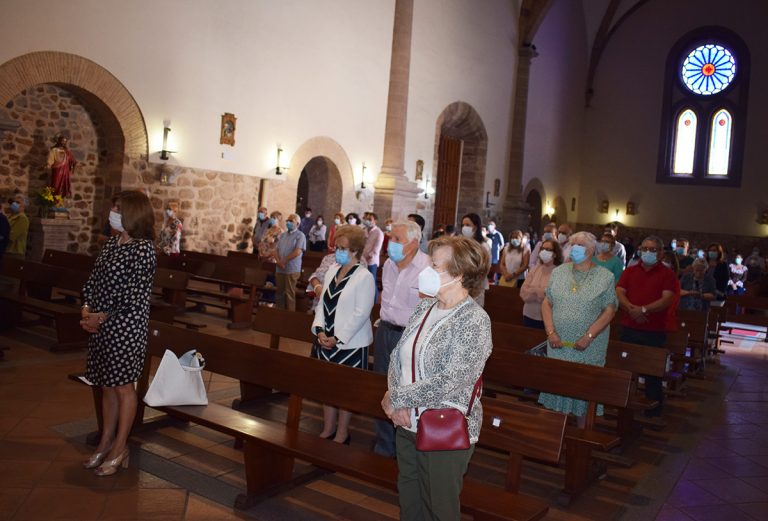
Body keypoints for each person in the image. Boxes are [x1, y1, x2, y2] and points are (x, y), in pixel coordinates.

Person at [381, 235, 491, 520]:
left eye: (435, 265)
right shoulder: (424, 307)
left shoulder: (474, 320)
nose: (426, 270)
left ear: (459, 274)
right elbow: (398, 357)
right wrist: (395, 400)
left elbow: (453, 379)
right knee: (410, 501)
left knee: (439, 509)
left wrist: (397, 397)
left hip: (443, 427)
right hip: (406, 422)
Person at [80, 191, 156, 476]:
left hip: (126, 327)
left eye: (117, 208)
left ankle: (120, 447)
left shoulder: (143, 249)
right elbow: (93, 280)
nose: (112, 212)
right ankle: (104, 442)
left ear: (133, 213)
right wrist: (87, 309)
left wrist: (102, 316)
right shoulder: (112, 243)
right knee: (106, 385)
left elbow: (134, 294)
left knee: (123, 387)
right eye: (113, 207)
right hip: (101, 325)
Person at [539, 232, 617, 425]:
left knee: (583, 393)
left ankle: (582, 435)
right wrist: (550, 332)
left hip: (588, 348)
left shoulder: (605, 276)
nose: (574, 247)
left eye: (579, 245)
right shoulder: (559, 272)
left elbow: (609, 311)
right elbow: (547, 303)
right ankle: (555, 436)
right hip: (558, 345)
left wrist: (589, 336)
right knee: (558, 389)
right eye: (572, 244)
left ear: (591, 250)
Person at [311, 225, 375, 444]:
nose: (338, 251)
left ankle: (342, 432)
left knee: (345, 390)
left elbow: (361, 313)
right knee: (326, 387)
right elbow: (322, 304)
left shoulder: (364, 277)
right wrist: (319, 330)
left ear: (355, 250)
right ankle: (328, 428)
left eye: (343, 248)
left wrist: (337, 338)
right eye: (337, 246)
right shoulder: (331, 271)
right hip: (325, 339)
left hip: (350, 344)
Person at [372, 220, 431, 458]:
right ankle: (384, 446)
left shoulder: (427, 268)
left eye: (397, 240)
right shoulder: (388, 265)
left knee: (405, 392)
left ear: (413, 243)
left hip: (410, 337)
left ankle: (405, 448)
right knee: (383, 389)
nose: (391, 244)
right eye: (391, 238)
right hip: (385, 331)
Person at [616, 236, 678, 417]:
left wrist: (643, 310)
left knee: (652, 375)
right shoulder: (630, 271)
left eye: (652, 249)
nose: (647, 252)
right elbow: (619, 291)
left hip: (654, 331)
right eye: (645, 248)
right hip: (629, 327)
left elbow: (667, 299)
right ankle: (621, 407)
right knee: (625, 370)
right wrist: (631, 309)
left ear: (660, 253)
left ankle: (653, 413)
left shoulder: (667, 274)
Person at [519, 238, 562, 328]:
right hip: (528, 314)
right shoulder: (535, 269)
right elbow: (523, 292)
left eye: (548, 249)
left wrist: (533, 290)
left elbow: (553, 297)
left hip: (546, 317)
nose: (544, 251)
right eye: (542, 249)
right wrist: (541, 292)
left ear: (555, 253)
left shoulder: (559, 272)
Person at [275, 214, 306, 311]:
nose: (288, 222)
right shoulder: (283, 235)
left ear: (297, 223)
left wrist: (284, 260)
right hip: (280, 268)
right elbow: (275, 250)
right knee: (279, 293)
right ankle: (279, 315)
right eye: (287, 220)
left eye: (291, 221)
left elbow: (298, 251)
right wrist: (279, 261)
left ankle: (289, 317)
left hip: (292, 269)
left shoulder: (300, 235)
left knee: (289, 293)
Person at [461, 213, 490, 304]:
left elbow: (486, 267)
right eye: (463, 225)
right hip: (460, 284)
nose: (464, 227)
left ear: (476, 226)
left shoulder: (483, 246)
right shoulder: (461, 244)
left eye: (468, 225)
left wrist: (473, 283)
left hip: (476, 286)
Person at [361, 212, 384, 299]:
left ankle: (374, 301)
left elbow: (376, 250)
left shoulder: (379, 232)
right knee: (363, 282)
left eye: (370, 219)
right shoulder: (364, 230)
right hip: (362, 260)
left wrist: (366, 258)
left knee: (371, 282)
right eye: (366, 219)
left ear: (375, 221)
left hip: (371, 262)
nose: (367, 221)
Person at [6, 194, 29, 259]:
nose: (14, 204)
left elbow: (11, 236)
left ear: (24, 205)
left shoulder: (22, 218)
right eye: (14, 202)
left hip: (14, 253)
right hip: (6, 251)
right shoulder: (10, 216)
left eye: (18, 202)